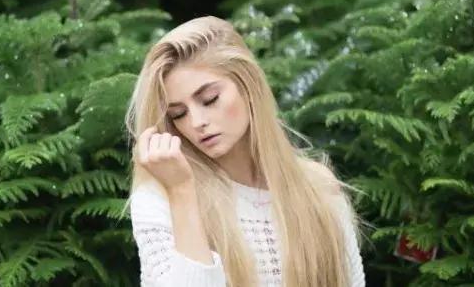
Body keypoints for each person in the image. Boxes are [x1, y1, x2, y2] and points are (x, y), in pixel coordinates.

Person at [123, 16, 366, 286]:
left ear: (248, 86)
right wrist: (181, 192)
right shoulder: (159, 199)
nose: (196, 122)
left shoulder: (317, 186)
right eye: (178, 114)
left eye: (210, 100)